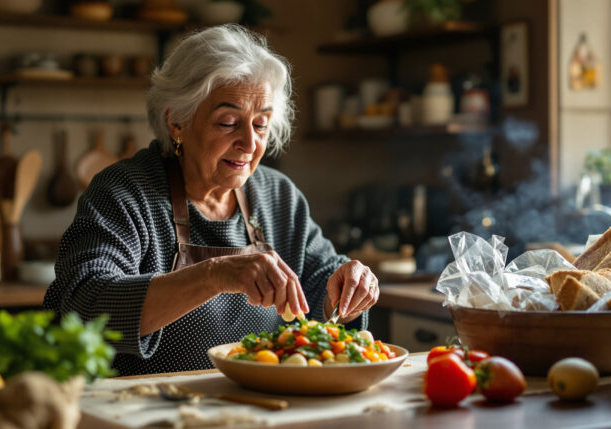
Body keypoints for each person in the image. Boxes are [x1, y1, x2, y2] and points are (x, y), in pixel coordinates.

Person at [44, 25, 379, 376]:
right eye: (228, 122)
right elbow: (84, 305)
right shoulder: (125, 193)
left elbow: (320, 284)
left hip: (260, 406)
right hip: (149, 408)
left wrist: (346, 288)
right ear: (177, 122)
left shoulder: (277, 195)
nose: (249, 143)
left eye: (261, 124)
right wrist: (213, 276)